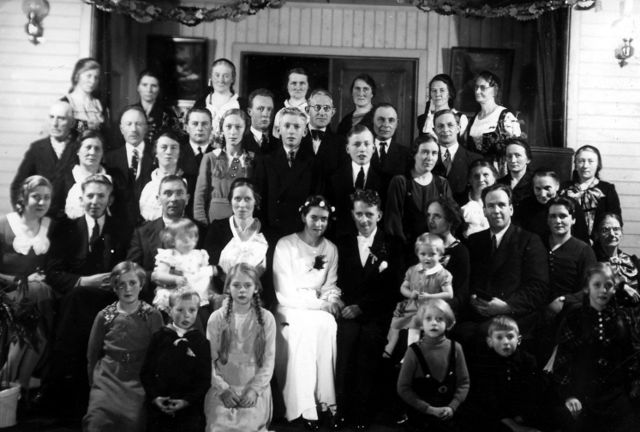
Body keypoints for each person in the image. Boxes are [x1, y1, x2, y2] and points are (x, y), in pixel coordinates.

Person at [44, 174, 128, 417]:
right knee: (76, 303)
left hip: (109, 299)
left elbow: (129, 266)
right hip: (75, 301)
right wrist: (83, 281)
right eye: (90, 195)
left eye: (101, 196)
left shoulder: (121, 230)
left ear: (110, 200)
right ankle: (65, 399)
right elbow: (53, 272)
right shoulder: (66, 230)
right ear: (81, 199)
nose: (95, 201)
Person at [272, 196, 343, 429]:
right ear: (303, 217)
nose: (319, 224)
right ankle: (303, 407)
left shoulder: (330, 249)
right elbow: (284, 292)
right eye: (314, 218)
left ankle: (325, 403)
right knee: (305, 328)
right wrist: (320, 305)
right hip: (290, 306)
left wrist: (331, 300)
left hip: (317, 306)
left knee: (327, 325)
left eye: (324, 219)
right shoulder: (286, 245)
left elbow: (330, 285)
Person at [334, 189, 401, 430]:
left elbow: (394, 288)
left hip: (377, 312)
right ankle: (342, 410)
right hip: (348, 311)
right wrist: (344, 304)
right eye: (359, 214)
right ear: (352, 214)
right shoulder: (342, 243)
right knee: (345, 340)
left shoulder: (393, 244)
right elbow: (338, 280)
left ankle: (364, 413)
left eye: (369, 214)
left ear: (379, 215)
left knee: (369, 343)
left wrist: (362, 307)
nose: (364, 220)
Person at [455, 183, 548, 349]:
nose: (496, 210)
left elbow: (538, 287)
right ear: (484, 211)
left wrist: (507, 307)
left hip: (515, 317)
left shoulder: (529, 241)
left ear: (511, 209)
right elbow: (468, 281)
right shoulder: (474, 241)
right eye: (491, 206)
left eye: (501, 205)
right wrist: (473, 299)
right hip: (479, 315)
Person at [552, 263, 640, 432]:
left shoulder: (623, 318)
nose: (603, 290)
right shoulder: (575, 318)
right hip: (583, 395)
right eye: (597, 285)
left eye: (608, 285)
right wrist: (569, 395)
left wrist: (633, 389)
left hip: (617, 395)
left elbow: (632, 357)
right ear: (587, 288)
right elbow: (563, 360)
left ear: (614, 289)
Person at [83, 261, 163, 432]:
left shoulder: (152, 315)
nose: (127, 289)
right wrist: (94, 383)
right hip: (108, 377)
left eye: (133, 283)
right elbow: (92, 354)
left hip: (138, 378)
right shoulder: (104, 316)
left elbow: (160, 354)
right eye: (121, 284)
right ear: (114, 287)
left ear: (141, 285)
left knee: (132, 423)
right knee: (96, 421)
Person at [205, 263, 276, 432]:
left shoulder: (266, 319)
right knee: (218, 428)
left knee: (247, 427)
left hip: (253, 389)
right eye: (236, 285)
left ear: (256, 288)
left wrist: (254, 390)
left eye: (247, 285)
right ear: (228, 288)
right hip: (222, 389)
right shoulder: (216, 319)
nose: (242, 290)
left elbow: (268, 362)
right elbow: (210, 362)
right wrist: (223, 390)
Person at [0, 176, 54, 394]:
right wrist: (20, 281)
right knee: (32, 324)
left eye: (47, 198)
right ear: (23, 197)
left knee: (38, 295)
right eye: (36, 197)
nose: (42, 202)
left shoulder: (51, 227)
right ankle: (14, 385)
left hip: (36, 301)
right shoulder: (4, 224)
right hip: (6, 294)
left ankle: (13, 387)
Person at [141, 290, 212, 432]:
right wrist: (155, 397)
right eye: (180, 310)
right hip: (159, 409)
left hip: (189, 411)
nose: (186, 315)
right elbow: (146, 373)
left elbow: (204, 379)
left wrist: (186, 401)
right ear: (169, 311)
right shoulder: (159, 338)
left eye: (192, 310)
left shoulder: (201, 342)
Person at [397, 300, 470, 432]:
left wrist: (452, 407)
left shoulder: (456, 348)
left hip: (449, 416)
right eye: (428, 318)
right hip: (420, 416)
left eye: (439, 319)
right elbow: (403, 388)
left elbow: (464, 382)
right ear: (421, 323)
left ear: (448, 323)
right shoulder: (413, 351)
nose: (434, 323)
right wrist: (429, 410)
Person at [460, 316, 543, 432]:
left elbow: (531, 390)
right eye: (499, 337)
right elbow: (488, 397)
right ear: (490, 342)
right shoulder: (485, 362)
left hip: (521, 409)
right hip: (495, 411)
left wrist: (521, 414)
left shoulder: (528, 360)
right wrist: (513, 424)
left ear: (518, 340)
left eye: (510, 336)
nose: (505, 342)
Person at [255, 107, 322, 240]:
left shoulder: (314, 164)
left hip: (301, 232)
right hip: (272, 232)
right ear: (279, 130)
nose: (291, 131)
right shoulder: (266, 161)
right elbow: (260, 202)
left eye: (297, 127)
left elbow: (316, 202)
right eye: (286, 126)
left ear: (304, 132)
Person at [384, 234, 454, 357]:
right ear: (417, 254)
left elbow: (449, 294)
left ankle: (412, 354)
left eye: (432, 254)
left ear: (440, 255)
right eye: (423, 254)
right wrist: (410, 294)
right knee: (395, 322)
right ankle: (389, 347)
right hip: (413, 306)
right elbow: (403, 287)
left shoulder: (442, 274)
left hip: (432, 308)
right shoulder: (413, 270)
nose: (427, 258)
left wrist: (430, 296)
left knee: (414, 326)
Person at [127, 175, 191, 302]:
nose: (173, 199)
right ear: (158, 199)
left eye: (179, 193)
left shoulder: (201, 230)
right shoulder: (142, 232)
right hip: (150, 301)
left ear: (187, 198)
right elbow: (132, 270)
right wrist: (154, 276)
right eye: (168, 193)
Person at [203, 178, 268, 301]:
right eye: (237, 199)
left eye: (247, 199)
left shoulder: (268, 233)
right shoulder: (217, 229)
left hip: (258, 301)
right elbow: (208, 268)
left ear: (256, 201)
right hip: (222, 299)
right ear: (230, 200)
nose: (242, 205)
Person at [384, 134, 452, 250]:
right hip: (405, 251)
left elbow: (449, 221)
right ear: (414, 154)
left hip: (435, 252)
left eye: (434, 153)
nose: (430, 158)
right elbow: (393, 224)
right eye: (425, 152)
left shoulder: (442, 184)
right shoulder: (401, 182)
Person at [11, 101, 77, 214]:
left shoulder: (79, 148)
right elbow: (18, 185)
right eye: (52, 117)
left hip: (70, 218)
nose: (55, 123)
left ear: (71, 123)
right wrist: (24, 214)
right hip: (41, 217)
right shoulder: (37, 149)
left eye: (61, 118)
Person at [194, 109, 255, 225]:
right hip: (214, 221)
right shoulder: (210, 158)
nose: (233, 132)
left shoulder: (251, 159)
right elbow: (199, 197)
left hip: (243, 221)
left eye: (238, 127)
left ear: (245, 129)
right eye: (228, 126)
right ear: (222, 129)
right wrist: (202, 224)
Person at [151, 219, 214, 322]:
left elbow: (205, 275)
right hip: (174, 295)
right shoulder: (169, 255)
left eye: (192, 237)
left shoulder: (199, 255)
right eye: (184, 239)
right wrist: (175, 279)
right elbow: (159, 275)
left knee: (202, 317)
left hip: (195, 294)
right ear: (172, 240)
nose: (189, 241)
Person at [104, 105, 154, 233]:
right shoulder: (109, 159)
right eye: (129, 124)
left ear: (146, 128)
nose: (133, 129)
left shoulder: (155, 157)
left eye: (138, 124)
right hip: (118, 229)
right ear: (121, 129)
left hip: (149, 228)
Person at [328, 124, 384, 238]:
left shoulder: (384, 179)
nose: (362, 149)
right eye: (357, 144)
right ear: (347, 149)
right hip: (341, 239)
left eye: (367, 144)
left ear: (373, 149)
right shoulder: (334, 178)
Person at [463, 70, 521, 173]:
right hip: (476, 173)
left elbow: (515, 150)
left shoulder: (505, 117)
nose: (477, 91)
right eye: (476, 87)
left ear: (495, 90)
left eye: (483, 88)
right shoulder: (474, 118)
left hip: (497, 173)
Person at [561, 145, 621, 240]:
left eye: (590, 161)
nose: (585, 166)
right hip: (569, 241)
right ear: (575, 164)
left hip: (600, 242)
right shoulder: (564, 188)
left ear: (598, 164)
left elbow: (616, 220)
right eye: (581, 161)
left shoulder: (607, 189)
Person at [518, 170, 589, 243]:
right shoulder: (525, 207)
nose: (543, 194)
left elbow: (582, 238)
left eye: (547, 188)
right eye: (538, 189)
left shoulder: (571, 204)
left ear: (557, 186)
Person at [427, 197, 470, 316]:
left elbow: (461, 296)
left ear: (450, 220)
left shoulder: (460, 252)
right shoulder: (423, 246)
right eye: (429, 215)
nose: (430, 220)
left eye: (437, 216)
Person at [432, 109, 481, 202]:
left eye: (450, 125)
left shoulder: (474, 160)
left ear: (458, 128)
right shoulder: (427, 159)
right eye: (440, 126)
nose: (445, 130)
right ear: (434, 131)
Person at [60, 129, 110, 219]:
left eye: (97, 148)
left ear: (102, 153)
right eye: (88, 147)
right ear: (78, 151)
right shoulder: (63, 179)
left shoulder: (112, 179)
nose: (92, 152)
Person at [593, 213, 639, 306]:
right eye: (605, 230)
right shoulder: (591, 259)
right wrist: (623, 287)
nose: (612, 234)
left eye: (616, 229)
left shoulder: (633, 261)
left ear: (622, 232)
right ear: (597, 234)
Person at [139, 131, 183, 222]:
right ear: (156, 152)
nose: (169, 152)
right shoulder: (144, 181)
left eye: (173, 147)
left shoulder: (187, 181)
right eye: (164, 147)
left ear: (179, 153)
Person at [180, 108, 214, 219]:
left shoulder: (219, 155)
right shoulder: (178, 154)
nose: (199, 128)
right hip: (184, 217)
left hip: (211, 216)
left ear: (211, 128)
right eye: (195, 124)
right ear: (186, 127)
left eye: (204, 124)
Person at [193, 58, 242, 135]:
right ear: (211, 77)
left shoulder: (241, 104)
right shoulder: (200, 103)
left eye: (226, 76)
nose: (221, 80)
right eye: (217, 75)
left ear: (232, 79)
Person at [302, 89, 342, 178]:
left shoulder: (341, 143)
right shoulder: (297, 138)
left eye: (326, 108)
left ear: (332, 112)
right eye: (317, 107)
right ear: (307, 110)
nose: (322, 113)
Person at [370, 103, 411, 190]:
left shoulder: (406, 153)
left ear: (397, 123)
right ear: (372, 120)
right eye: (381, 120)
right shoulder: (363, 150)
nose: (386, 125)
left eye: (391, 120)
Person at [134, 69, 180, 144]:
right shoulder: (129, 112)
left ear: (159, 89)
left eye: (154, 86)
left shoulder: (168, 113)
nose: (149, 90)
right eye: (144, 85)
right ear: (138, 88)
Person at [62, 58, 106, 133]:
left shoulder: (98, 104)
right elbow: (63, 128)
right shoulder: (65, 102)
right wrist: (87, 126)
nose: (93, 81)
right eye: (89, 76)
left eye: (96, 77)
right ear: (77, 76)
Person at [417, 74, 468, 139]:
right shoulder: (423, 119)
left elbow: (462, 144)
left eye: (442, 90)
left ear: (450, 93)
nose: (437, 94)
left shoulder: (460, 118)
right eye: (434, 90)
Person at [498, 138, 534, 221]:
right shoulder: (500, 183)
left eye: (518, 155)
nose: (513, 160)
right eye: (509, 156)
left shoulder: (535, 182)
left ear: (528, 159)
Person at [459, 159, 497, 238]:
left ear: (494, 177)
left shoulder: (501, 200)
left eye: (485, 175)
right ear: (470, 180)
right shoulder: (458, 201)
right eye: (476, 176)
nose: (481, 179)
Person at [272, 67, 310, 138]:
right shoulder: (279, 113)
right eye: (294, 83)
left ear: (308, 86)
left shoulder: (313, 112)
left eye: (302, 83)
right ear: (287, 86)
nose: (298, 87)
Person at [244, 88, 277, 155]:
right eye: (260, 109)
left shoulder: (279, 143)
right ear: (249, 112)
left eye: (269, 109)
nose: (265, 114)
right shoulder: (241, 142)